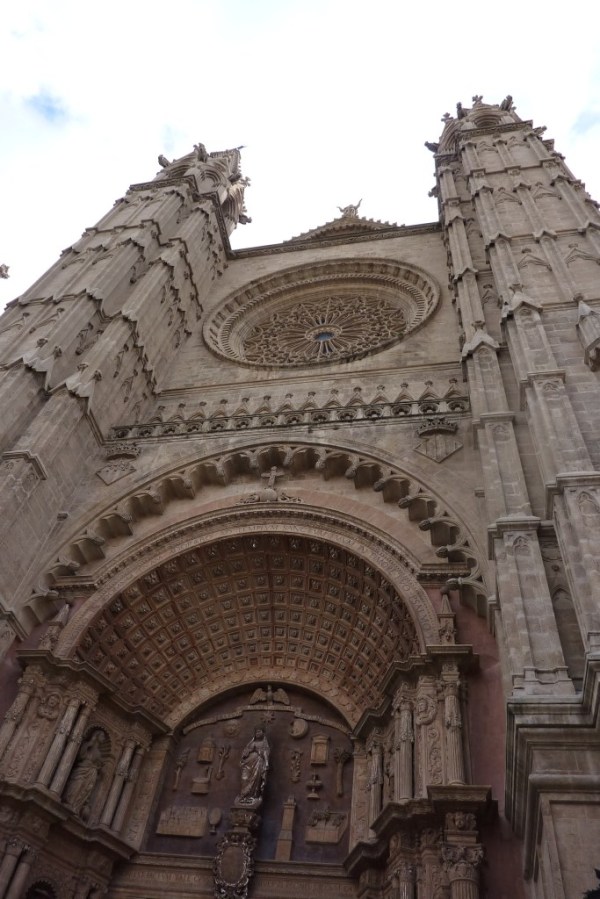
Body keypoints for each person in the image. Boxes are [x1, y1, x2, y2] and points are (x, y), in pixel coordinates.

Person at [64, 729, 106, 815]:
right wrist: (90, 743)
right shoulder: (88, 745)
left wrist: (99, 768)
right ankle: (69, 802)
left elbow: (100, 765)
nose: (104, 738)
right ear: (96, 736)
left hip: (91, 773)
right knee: (76, 785)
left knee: (85, 790)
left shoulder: (99, 752)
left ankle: (76, 807)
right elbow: (81, 755)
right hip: (82, 769)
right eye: (102, 736)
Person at [235, 729, 270, 804]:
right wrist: (248, 751)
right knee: (244, 779)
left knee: (255, 780)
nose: (257, 733)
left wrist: (266, 763)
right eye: (256, 732)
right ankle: (243, 796)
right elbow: (244, 754)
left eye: (259, 731)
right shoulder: (251, 743)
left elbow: (265, 754)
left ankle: (252, 796)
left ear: (263, 733)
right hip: (248, 763)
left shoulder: (264, 744)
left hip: (257, 763)